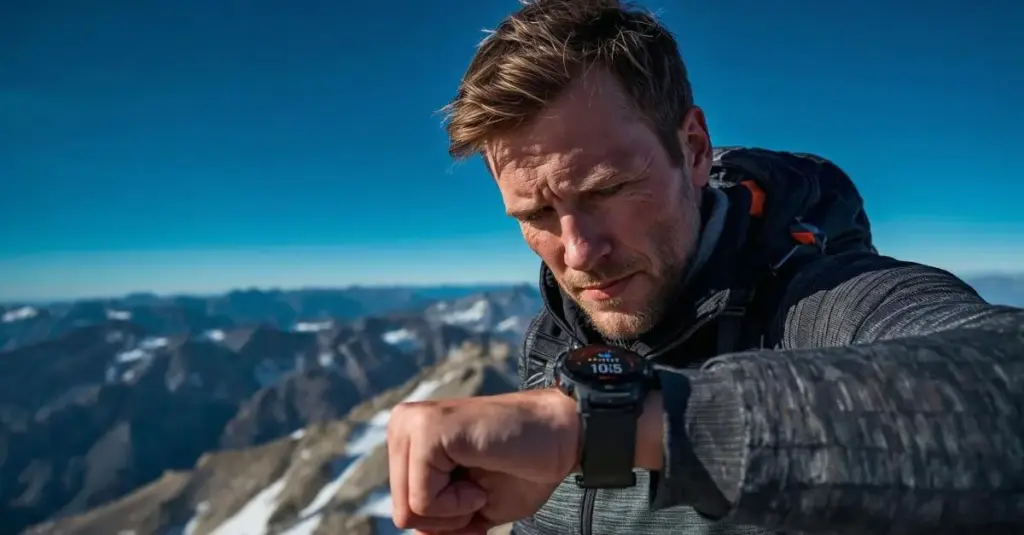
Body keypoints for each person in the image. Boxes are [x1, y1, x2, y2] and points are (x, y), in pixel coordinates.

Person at [385, 1, 1024, 534]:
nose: (577, 253)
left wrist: (603, 428)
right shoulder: (556, 336)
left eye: (607, 189)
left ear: (692, 149)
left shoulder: (819, 301)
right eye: (535, 213)